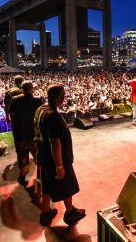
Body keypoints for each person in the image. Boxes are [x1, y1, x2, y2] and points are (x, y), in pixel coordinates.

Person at [34, 85, 86, 227]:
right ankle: (70, 212)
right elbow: (55, 143)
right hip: (56, 159)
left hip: (44, 156)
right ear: (58, 98)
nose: (65, 97)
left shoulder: (41, 109)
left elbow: (37, 134)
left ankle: (45, 212)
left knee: (47, 185)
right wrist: (60, 166)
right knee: (65, 184)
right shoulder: (53, 116)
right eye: (63, 95)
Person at [8, 81, 44, 186]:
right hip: (34, 135)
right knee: (38, 156)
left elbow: (11, 112)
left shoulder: (15, 100)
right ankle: (40, 174)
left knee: (22, 157)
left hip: (20, 134)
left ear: (21, 89)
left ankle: (22, 176)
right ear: (32, 88)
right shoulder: (38, 100)